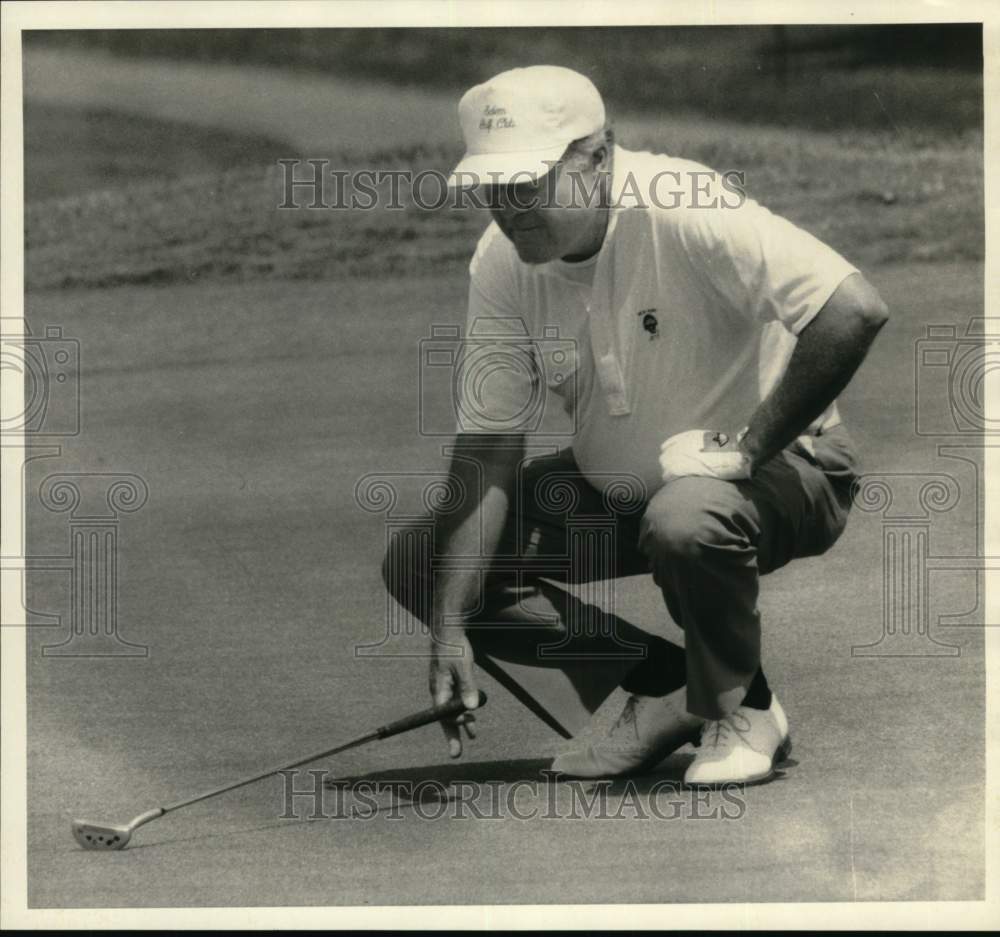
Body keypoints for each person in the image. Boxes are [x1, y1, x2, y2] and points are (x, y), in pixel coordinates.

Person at [383, 65, 888, 784]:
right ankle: (671, 686)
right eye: (491, 188)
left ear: (599, 155)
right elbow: (490, 446)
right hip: (622, 487)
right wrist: (451, 626)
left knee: (686, 516)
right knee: (424, 564)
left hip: (785, 471)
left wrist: (749, 448)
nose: (507, 210)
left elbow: (853, 308)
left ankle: (740, 705)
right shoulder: (501, 262)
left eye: (526, 184)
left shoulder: (685, 204)